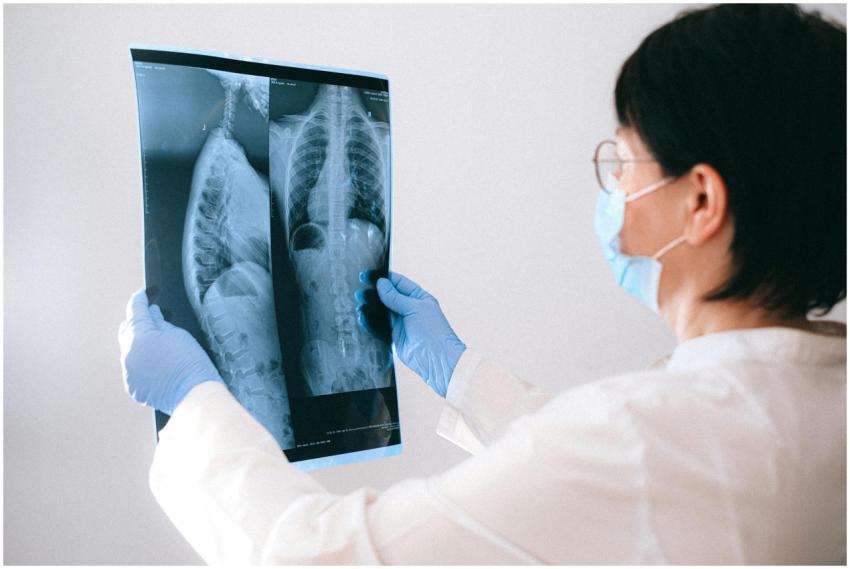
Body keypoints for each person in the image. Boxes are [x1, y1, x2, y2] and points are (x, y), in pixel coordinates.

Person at [118, 4, 847, 564]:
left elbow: (314, 554)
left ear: (700, 203)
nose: (611, 186)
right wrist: (462, 372)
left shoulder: (640, 438)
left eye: (623, 160)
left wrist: (196, 405)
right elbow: (621, 485)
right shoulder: (820, 397)